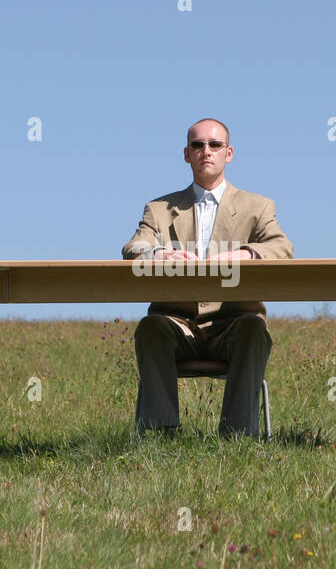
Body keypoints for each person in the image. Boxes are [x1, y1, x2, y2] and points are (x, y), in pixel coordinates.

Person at [121, 118, 294, 437]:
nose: (206, 151)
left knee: (254, 328)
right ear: (186, 154)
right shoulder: (159, 208)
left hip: (232, 324)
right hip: (177, 324)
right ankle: (161, 437)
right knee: (151, 326)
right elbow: (135, 247)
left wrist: (245, 253)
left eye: (215, 145)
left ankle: (239, 437)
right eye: (198, 145)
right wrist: (161, 254)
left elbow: (281, 247)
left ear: (229, 154)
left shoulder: (258, 206)